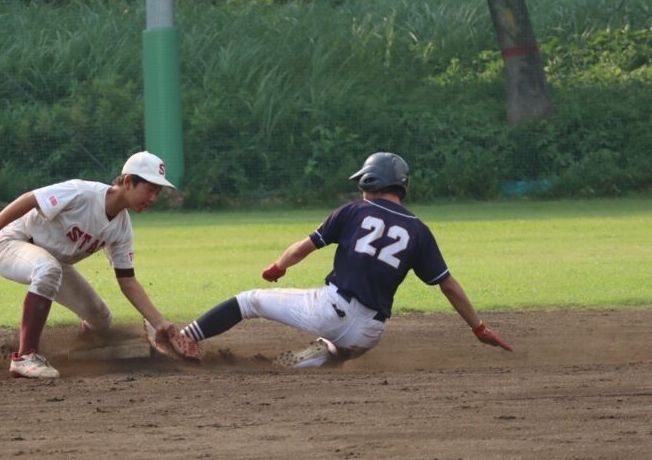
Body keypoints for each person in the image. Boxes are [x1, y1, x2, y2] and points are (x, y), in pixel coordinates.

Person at [179, 151, 513, 367]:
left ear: (371, 180)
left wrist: (279, 266)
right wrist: (478, 327)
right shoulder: (418, 230)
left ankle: (185, 338)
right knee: (335, 351)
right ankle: (291, 365)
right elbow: (449, 286)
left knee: (249, 301)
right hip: (369, 332)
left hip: (330, 308)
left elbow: (304, 247)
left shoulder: (354, 210)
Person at [0, 150, 186, 379]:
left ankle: (85, 349)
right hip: (12, 243)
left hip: (53, 262)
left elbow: (127, 281)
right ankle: (25, 357)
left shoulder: (122, 229)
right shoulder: (83, 193)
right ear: (128, 181)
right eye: (150, 189)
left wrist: (160, 323)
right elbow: (31, 198)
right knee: (48, 269)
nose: (153, 198)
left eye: (158, 192)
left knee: (100, 318)